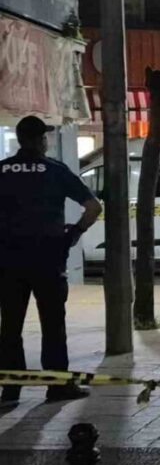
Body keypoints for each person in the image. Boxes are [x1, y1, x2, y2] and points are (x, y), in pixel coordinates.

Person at [0, 116, 102, 407]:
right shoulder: (55, 170)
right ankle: (57, 387)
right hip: (48, 258)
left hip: (8, 260)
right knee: (53, 324)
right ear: (40, 141)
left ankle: (10, 390)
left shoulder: (2, 170)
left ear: (21, 140)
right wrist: (75, 233)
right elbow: (93, 207)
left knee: (10, 326)